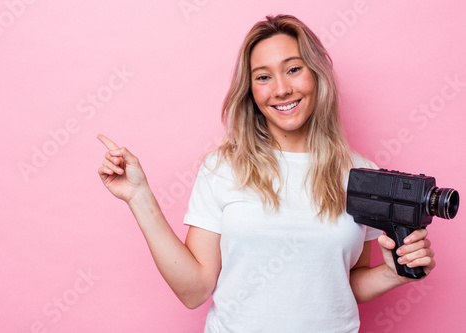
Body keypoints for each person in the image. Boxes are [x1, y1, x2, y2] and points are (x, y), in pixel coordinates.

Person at [97, 14, 435, 333]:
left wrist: (394, 274)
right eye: (263, 77)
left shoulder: (363, 175)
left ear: (316, 75)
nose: (281, 89)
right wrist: (139, 197)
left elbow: (343, 282)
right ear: (251, 90)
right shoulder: (223, 167)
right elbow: (194, 291)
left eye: (293, 69)